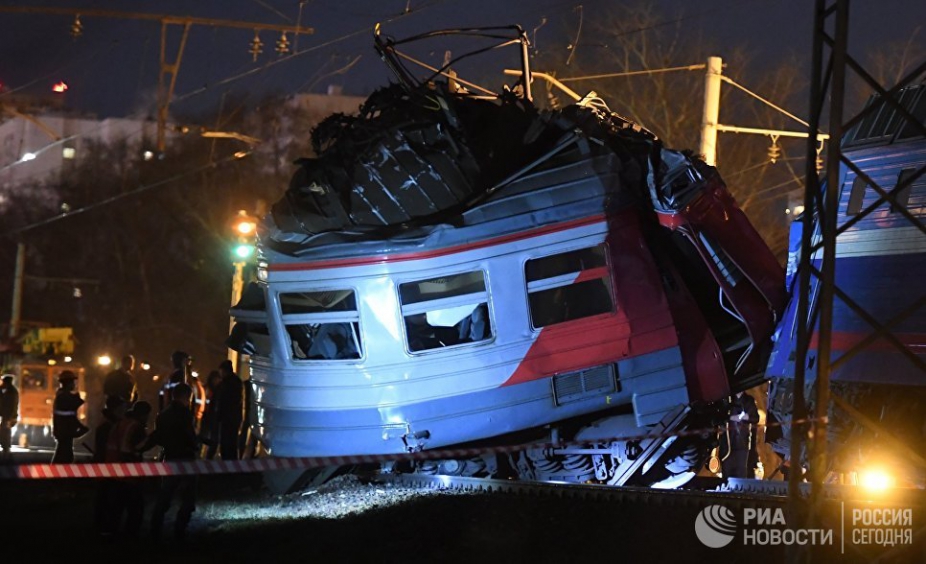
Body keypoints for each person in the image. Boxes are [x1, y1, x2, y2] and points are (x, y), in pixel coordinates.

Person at [140, 382, 199, 542]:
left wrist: (141, 448)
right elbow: (189, 435)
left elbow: (158, 435)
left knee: (165, 496)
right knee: (188, 498)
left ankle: (155, 530)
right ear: (187, 396)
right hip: (185, 458)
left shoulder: (163, 414)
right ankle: (180, 531)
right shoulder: (185, 414)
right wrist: (196, 445)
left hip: (169, 457)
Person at [51, 370, 90, 464]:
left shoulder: (61, 395)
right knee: (64, 457)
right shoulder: (64, 397)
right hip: (65, 432)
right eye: (72, 382)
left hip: (63, 432)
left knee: (64, 455)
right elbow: (69, 416)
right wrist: (80, 429)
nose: (74, 384)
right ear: (68, 383)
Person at [721, 390, 760, 479]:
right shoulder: (727, 400)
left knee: (741, 471)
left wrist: (747, 417)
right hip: (727, 443)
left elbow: (755, 418)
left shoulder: (748, 401)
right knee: (727, 471)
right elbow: (720, 417)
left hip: (742, 443)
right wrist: (731, 418)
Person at [214, 360, 243, 460]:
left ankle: (227, 464)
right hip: (234, 418)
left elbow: (222, 402)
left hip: (227, 418)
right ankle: (232, 464)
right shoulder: (237, 382)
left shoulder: (225, 384)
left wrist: (218, 416)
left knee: (226, 443)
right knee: (232, 443)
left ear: (224, 371)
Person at [200, 370, 222, 459]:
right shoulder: (206, 389)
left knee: (213, 439)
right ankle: (200, 455)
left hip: (214, 418)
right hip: (205, 417)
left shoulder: (220, 390)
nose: (216, 381)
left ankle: (208, 456)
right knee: (203, 437)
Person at [0, 374, 19, 461]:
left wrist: (13, 417)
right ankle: (5, 449)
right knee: (4, 431)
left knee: (5, 432)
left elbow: (11, 406)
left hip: (8, 416)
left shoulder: (11, 392)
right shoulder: (8, 390)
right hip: (6, 415)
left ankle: (6, 451)